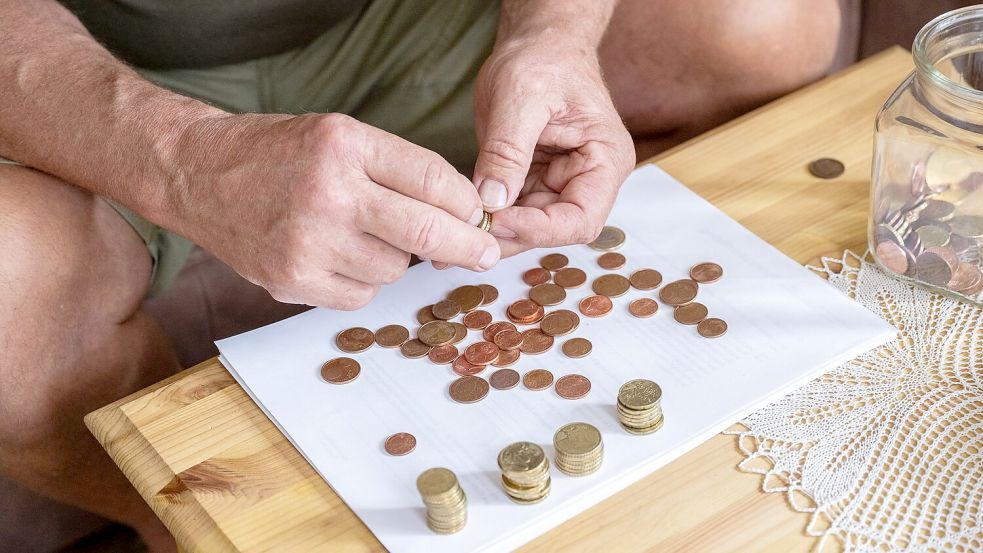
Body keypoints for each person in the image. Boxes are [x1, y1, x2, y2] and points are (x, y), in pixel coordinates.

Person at [0, 0, 840, 550]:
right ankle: (196, 530)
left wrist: (552, 35)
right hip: (89, 69)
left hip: (422, 16)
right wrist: (183, 160)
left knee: (766, 22)